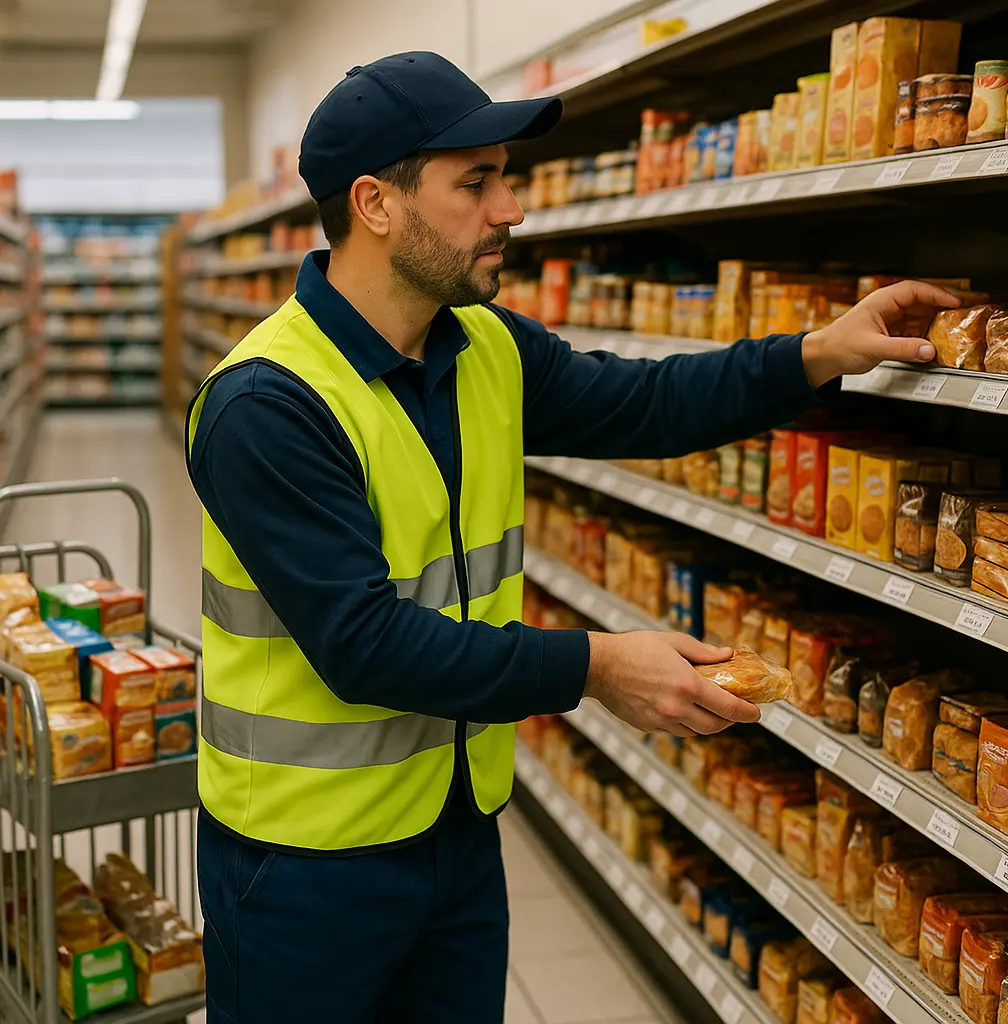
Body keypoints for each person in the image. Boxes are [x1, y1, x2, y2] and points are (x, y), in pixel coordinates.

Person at [185, 51, 956, 1024]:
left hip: (454, 829)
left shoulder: (484, 348)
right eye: (477, 182)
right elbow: (362, 643)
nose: (510, 208)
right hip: (301, 867)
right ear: (375, 204)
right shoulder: (268, 403)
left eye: (504, 177)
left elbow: (644, 401)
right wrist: (597, 666)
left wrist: (817, 353)